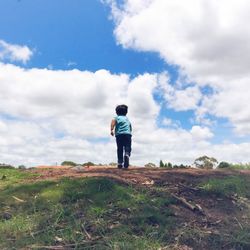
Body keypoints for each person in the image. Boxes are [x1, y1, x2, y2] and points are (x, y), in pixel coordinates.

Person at [110, 104, 132, 169]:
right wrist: (129, 131)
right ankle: (127, 154)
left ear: (117, 112)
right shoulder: (127, 119)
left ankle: (120, 163)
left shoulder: (116, 117)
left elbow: (113, 122)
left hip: (119, 135)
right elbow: (130, 126)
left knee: (120, 148)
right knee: (127, 147)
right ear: (126, 112)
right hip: (127, 134)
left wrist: (111, 130)